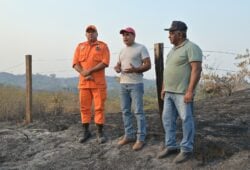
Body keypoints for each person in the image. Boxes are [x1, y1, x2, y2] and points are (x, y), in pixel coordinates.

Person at [157, 21, 203, 163]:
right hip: (169, 92)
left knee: (186, 120)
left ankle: (186, 149)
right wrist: (164, 87)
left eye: (171, 33)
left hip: (182, 93)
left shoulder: (192, 48)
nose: (169, 36)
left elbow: (196, 70)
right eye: (169, 33)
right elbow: (168, 70)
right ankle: (171, 146)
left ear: (180, 34)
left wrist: (190, 91)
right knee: (167, 120)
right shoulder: (172, 51)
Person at [114, 27, 151, 151]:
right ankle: (129, 135)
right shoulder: (122, 51)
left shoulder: (141, 48)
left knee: (138, 112)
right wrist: (117, 68)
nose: (125, 37)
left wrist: (136, 69)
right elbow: (118, 65)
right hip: (123, 83)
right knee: (125, 111)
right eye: (123, 35)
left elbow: (148, 65)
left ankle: (141, 138)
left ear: (133, 36)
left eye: (128, 35)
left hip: (136, 84)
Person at [72, 25, 110, 144]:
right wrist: (83, 72)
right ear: (85, 34)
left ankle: (100, 132)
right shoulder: (80, 46)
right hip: (84, 84)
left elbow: (105, 62)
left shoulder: (103, 46)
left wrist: (90, 71)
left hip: (98, 84)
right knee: (84, 108)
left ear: (97, 34)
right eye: (88, 32)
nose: (90, 34)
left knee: (99, 108)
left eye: (93, 32)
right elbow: (75, 63)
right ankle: (86, 131)